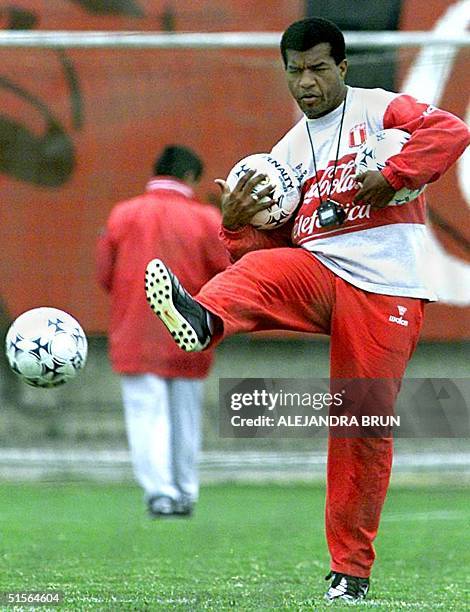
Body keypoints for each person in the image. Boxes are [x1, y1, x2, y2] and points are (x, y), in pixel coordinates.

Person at [144, 18, 470, 602]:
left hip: (389, 288)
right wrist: (236, 220)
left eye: (319, 69)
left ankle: (351, 573)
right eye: (295, 71)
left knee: (361, 426)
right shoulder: (285, 152)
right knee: (257, 271)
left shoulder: (379, 108)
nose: (307, 82)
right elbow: (270, 248)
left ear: (342, 68)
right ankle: (205, 319)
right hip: (321, 272)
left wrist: (392, 174)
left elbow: (449, 131)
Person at [97, 145, 228, 518]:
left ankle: (160, 492)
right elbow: (225, 272)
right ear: (189, 177)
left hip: (135, 333)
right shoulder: (206, 219)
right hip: (189, 335)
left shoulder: (123, 214)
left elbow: (104, 275)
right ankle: (186, 490)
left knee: (146, 415)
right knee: (186, 416)